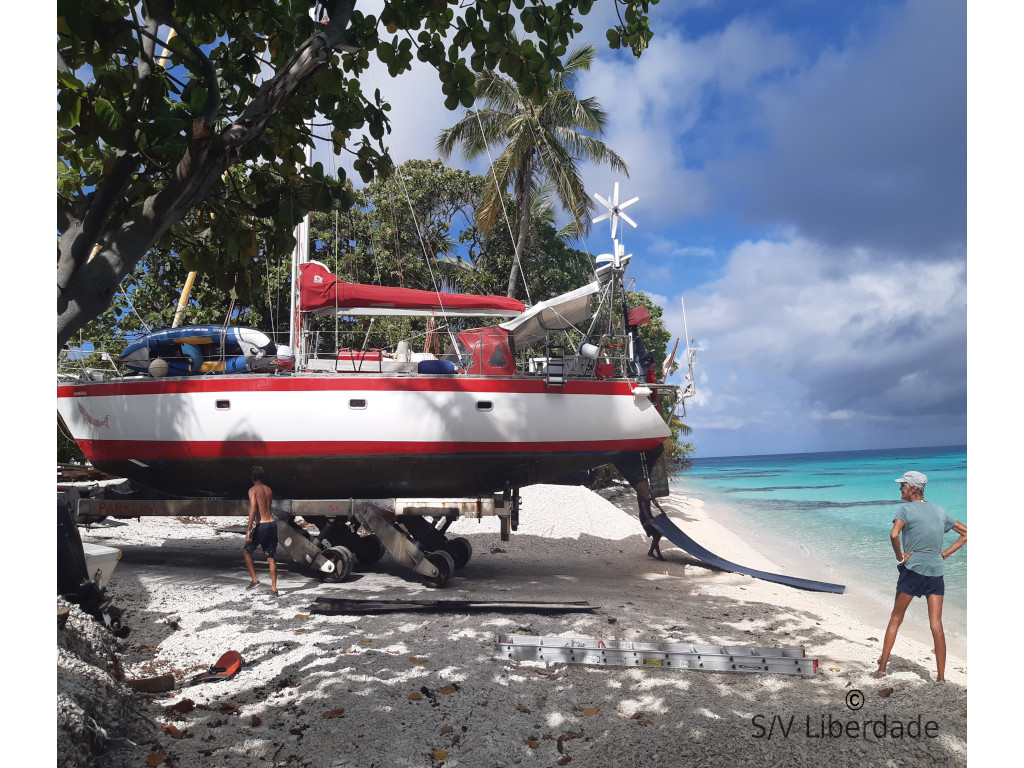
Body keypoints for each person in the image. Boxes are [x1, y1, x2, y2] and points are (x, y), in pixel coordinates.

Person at [875, 471, 966, 681]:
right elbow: (966, 533)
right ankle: (941, 678)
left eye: (903, 486)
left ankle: (881, 671)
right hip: (936, 573)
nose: (900, 489)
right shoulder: (939, 511)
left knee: (896, 619)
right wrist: (944, 554)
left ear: (913, 489)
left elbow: (894, 534)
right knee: (936, 624)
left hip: (913, 571)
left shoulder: (905, 510)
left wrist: (900, 557)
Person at [243, 466, 279, 596]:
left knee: (247, 551)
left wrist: (248, 530)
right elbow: (265, 508)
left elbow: (253, 509)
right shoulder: (268, 489)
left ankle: (254, 580)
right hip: (272, 524)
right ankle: (274, 589)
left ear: (252, 477)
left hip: (262, 525)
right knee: (270, 557)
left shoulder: (253, 490)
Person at [635, 479, 667, 561]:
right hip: (644, 517)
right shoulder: (640, 492)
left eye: (647, 483)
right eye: (645, 484)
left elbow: (654, 501)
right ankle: (657, 554)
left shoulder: (648, 491)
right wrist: (647, 518)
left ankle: (651, 552)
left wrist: (661, 510)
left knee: (658, 534)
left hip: (649, 516)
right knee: (656, 534)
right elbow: (643, 506)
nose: (646, 485)